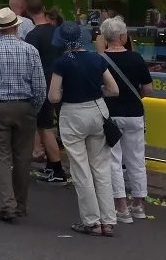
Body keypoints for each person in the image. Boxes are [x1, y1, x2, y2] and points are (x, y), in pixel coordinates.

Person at [50, 20, 120, 236]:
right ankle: (108, 221)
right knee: (101, 168)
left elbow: (53, 96)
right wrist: (97, 92)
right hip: (98, 111)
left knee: (81, 169)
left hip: (73, 114)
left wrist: (66, 92)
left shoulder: (62, 62)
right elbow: (114, 90)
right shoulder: (97, 59)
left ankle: (92, 222)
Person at [0, 7, 47, 223]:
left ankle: (8, 204)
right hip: (25, 106)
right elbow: (40, 87)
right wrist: (33, 108)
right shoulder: (30, 51)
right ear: (17, 27)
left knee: (1, 157)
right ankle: (21, 204)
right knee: (23, 158)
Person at [100, 16, 153, 224]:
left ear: (106, 38)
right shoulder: (137, 58)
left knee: (113, 161)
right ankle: (139, 205)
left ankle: (121, 207)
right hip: (134, 114)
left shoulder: (100, 60)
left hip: (110, 115)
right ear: (123, 37)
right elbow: (148, 88)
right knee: (137, 159)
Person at [25, 2, 68, 183]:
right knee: (55, 126)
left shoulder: (32, 36)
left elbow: (29, 64)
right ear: (43, 8)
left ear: (29, 12)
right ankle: (51, 164)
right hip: (61, 82)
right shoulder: (57, 32)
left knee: (45, 127)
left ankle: (57, 169)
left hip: (42, 84)